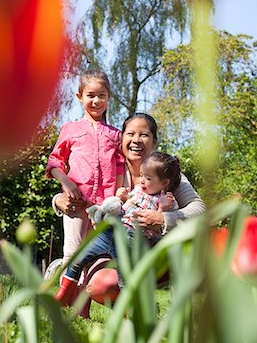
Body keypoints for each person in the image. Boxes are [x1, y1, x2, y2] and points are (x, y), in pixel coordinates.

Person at [52, 113, 206, 313]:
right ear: (121, 139)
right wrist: (57, 199)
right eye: (130, 134)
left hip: (152, 251)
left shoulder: (166, 172)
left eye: (144, 135)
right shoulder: (109, 169)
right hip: (114, 248)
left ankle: (148, 308)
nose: (136, 140)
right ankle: (136, 307)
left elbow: (199, 210)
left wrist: (163, 218)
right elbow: (86, 193)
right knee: (100, 285)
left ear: (154, 141)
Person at [55, 151, 181, 305]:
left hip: (130, 239)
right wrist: (121, 196)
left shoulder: (167, 200)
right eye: (141, 175)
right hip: (109, 230)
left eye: (147, 178)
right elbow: (123, 206)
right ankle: (62, 296)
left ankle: (132, 311)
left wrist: (162, 210)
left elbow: (160, 225)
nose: (141, 181)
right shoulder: (138, 190)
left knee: (125, 279)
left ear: (164, 183)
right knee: (78, 259)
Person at [45, 70, 125, 289]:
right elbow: (54, 161)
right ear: (80, 97)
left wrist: (115, 197)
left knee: (95, 256)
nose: (96, 101)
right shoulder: (70, 129)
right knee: (73, 252)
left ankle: (83, 305)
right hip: (77, 204)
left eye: (101, 95)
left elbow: (119, 167)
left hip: (103, 208)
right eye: (90, 95)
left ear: (109, 98)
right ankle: (66, 300)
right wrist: (67, 183)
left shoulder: (115, 135)